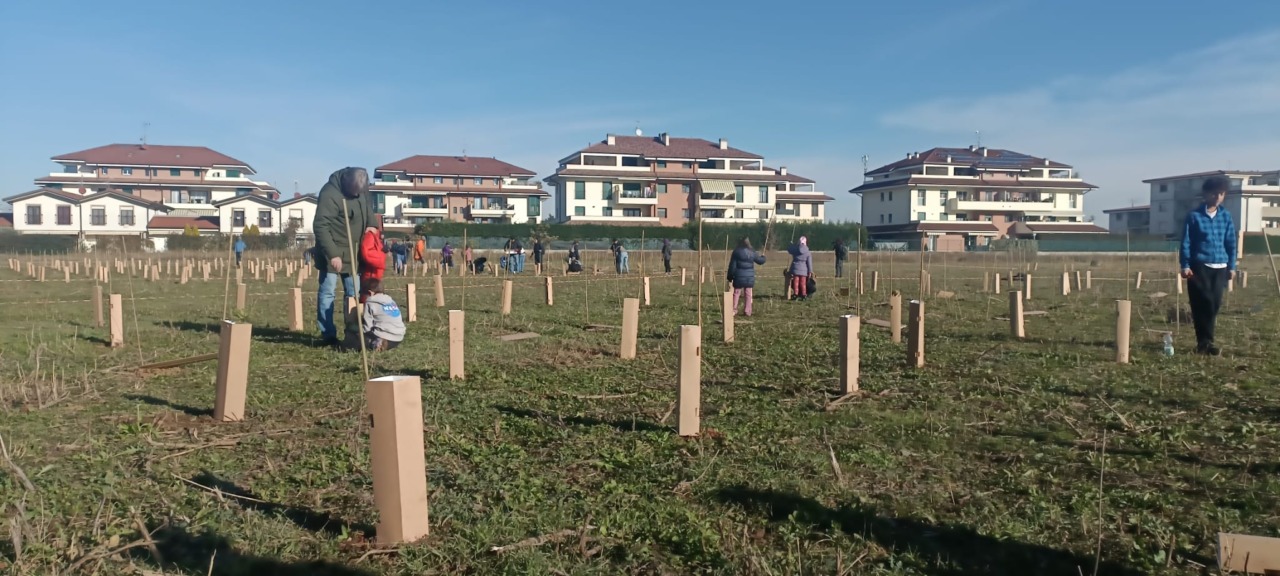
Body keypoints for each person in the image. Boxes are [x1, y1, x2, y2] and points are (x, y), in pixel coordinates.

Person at [313, 166, 378, 347]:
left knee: (354, 294)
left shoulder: (361, 190)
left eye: (360, 192)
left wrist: (372, 224)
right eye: (354, 192)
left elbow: (367, 208)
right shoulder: (329, 194)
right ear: (346, 184)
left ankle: (353, 333)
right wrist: (333, 254)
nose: (358, 195)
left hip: (354, 251)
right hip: (332, 253)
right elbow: (320, 226)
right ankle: (328, 335)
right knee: (328, 293)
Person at [1180, 175, 1238, 356]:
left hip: (1220, 266)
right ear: (1205, 194)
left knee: (1214, 304)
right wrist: (1185, 264)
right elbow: (1186, 242)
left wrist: (1232, 266)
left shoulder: (1226, 216)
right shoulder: (1194, 216)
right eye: (1214, 193)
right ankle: (1205, 343)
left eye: (1221, 194)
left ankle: (1206, 342)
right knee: (1202, 303)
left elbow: (1231, 242)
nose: (1218, 197)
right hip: (1199, 266)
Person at [359, 278, 405, 352]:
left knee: (362, 337)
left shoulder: (370, 302)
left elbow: (367, 327)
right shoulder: (390, 300)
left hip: (384, 335)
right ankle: (383, 343)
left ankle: (378, 343)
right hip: (399, 337)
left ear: (370, 293)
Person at [728, 237, 766, 316]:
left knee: (736, 293)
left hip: (738, 276)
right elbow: (760, 261)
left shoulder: (736, 252)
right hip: (749, 277)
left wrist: (730, 276)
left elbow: (732, 266)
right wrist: (763, 258)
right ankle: (747, 311)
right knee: (748, 293)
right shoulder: (752, 251)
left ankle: (733, 310)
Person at [358, 227, 385, 302]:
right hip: (371, 273)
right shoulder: (370, 235)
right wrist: (382, 256)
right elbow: (367, 254)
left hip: (376, 273)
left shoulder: (375, 236)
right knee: (369, 296)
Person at [788, 236, 813, 301]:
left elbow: (789, 250)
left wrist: (791, 244)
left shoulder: (795, 250)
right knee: (803, 283)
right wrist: (810, 271)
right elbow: (809, 263)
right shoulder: (808, 252)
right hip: (804, 270)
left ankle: (795, 294)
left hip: (795, 268)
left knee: (796, 282)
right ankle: (804, 295)